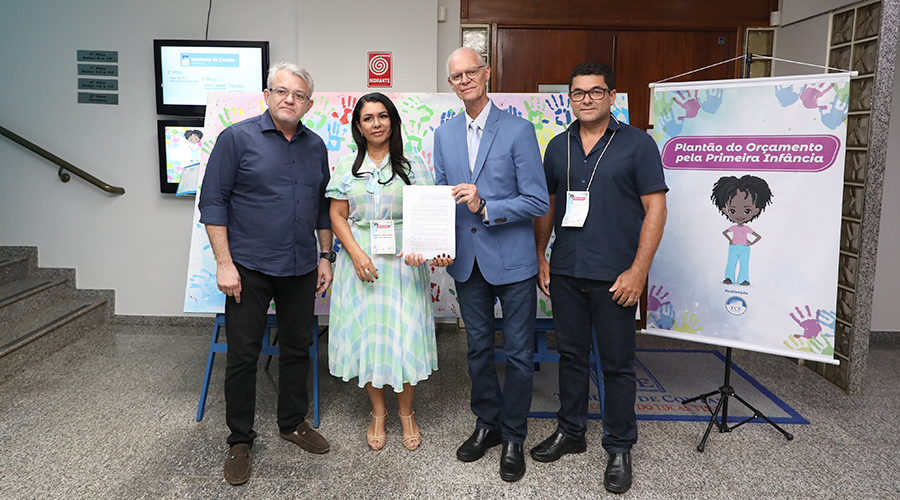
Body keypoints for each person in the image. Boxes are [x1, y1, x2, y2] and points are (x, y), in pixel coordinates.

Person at [531, 61, 668, 494]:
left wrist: (638, 271)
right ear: (569, 99)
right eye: (578, 92)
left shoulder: (638, 145)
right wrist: (541, 256)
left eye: (595, 91)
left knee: (617, 364)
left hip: (616, 276)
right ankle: (571, 431)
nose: (586, 99)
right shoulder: (558, 146)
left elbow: (656, 209)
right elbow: (548, 205)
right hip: (567, 270)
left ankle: (620, 446)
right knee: (571, 357)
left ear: (611, 96)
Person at [199, 62, 333, 486]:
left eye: (299, 95)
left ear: (309, 103)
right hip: (248, 268)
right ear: (267, 95)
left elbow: (321, 207)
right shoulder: (236, 138)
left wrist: (325, 256)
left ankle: (292, 423)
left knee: (297, 349)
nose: (289, 99)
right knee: (243, 356)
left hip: (300, 266)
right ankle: (240, 439)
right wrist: (224, 263)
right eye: (281, 91)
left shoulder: (316, 146)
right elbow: (213, 202)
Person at [432, 47, 549, 482]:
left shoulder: (518, 130)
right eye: (455, 76)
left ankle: (514, 434)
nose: (464, 80)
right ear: (451, 84)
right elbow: (441, 199)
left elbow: (537, 200)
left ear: (486, 73)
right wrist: (439, 242)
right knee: (478, 350)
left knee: (518, 354)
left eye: (470, 72)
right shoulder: (444, 135)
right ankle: (488, 424)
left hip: (513, 262)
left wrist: (486, 206)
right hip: (467, 263)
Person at [326, 92, 438, 452]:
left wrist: (423, 247)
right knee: (370, 336)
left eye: (383, 116)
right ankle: (378, 412)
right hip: (360, 262)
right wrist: (356, 254)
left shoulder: (413, 164)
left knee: (405, 336)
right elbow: (337, 215)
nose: (377, 123)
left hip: (404, 263)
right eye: (368, 118)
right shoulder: (347, 165)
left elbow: (428, 213)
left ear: (393, 121)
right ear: (359, 127)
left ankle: (406, 413)